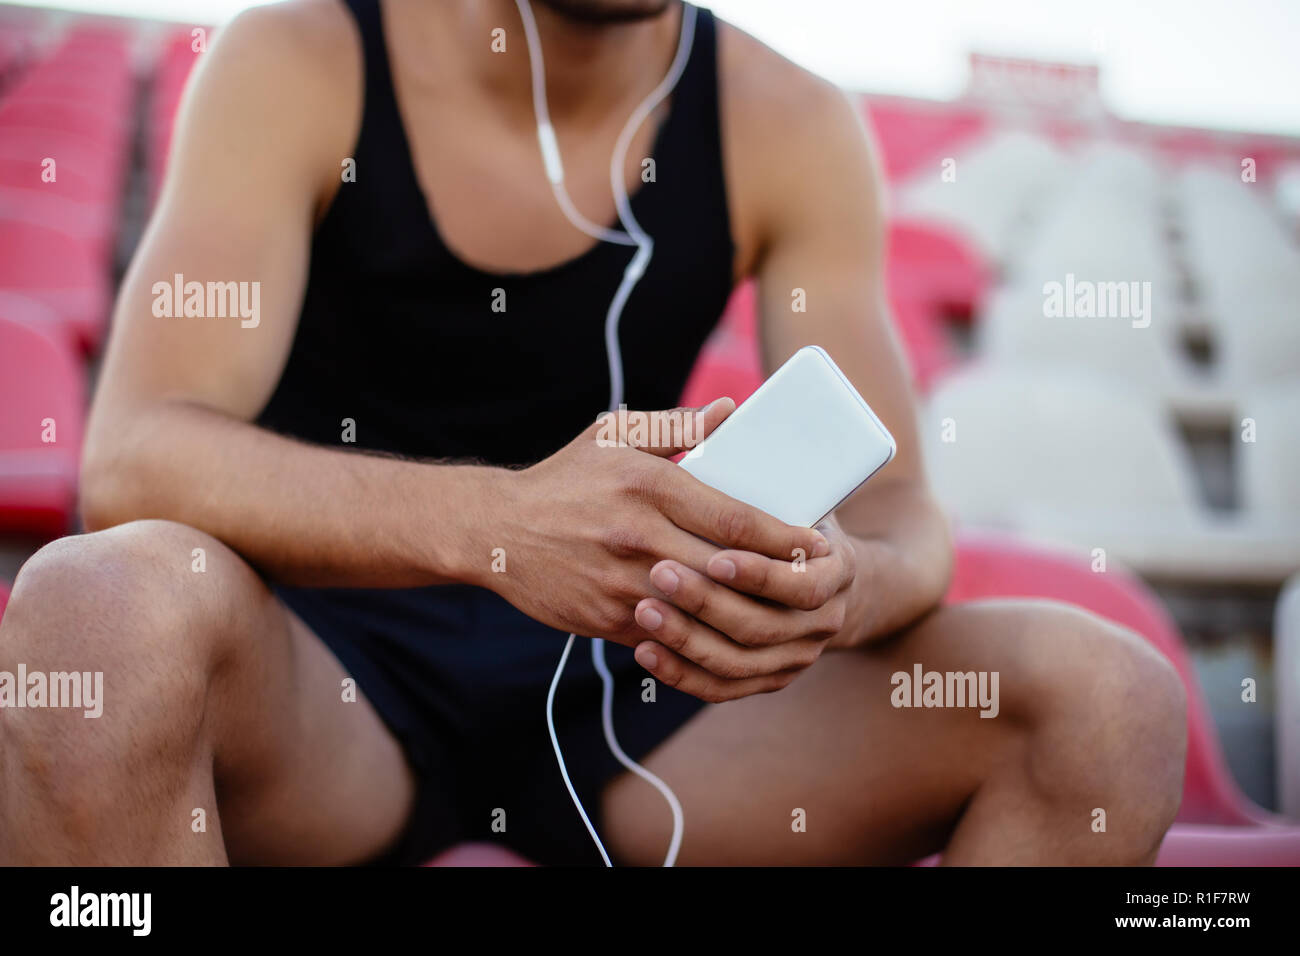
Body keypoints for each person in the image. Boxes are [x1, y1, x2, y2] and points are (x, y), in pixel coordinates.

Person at [0, 0, 1186, 866]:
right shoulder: (302, 58)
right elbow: (133, 456)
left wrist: (840, 587)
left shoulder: (788, 123)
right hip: (322, 681)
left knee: (1106, 700)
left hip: (644, 680)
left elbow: (902, 515)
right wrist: (502, 527)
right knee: (94, 610)